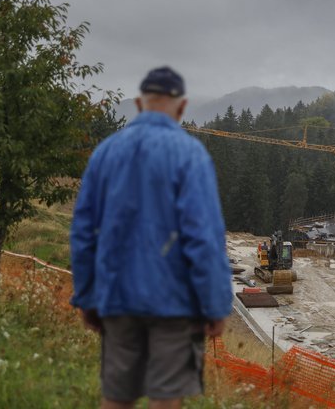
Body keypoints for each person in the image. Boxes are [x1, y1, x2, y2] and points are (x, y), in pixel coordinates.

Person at [70, 67, 232, 409]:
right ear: (182, 106)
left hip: (116, 296)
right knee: (165, 397)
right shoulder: (191, 155)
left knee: (116, 396)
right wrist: (215, 305)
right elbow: (203, 238)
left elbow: (83, 231)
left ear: (141, 104)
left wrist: (86, 294)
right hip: (174, 302)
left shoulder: (105, 153)